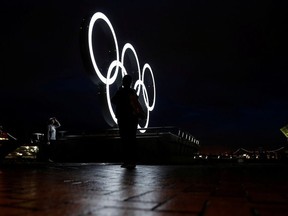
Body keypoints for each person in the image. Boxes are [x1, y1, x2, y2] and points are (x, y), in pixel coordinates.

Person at [112, 75, 145, 169]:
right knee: (132, 139)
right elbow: (136, 104)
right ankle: (132, 161)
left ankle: (127, 161)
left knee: (125, 140)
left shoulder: (120, 92)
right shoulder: (132, 92)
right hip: (132, 119)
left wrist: (119, 92)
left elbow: (113, 100)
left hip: (122, 119)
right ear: (130, 82)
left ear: (124, 82)